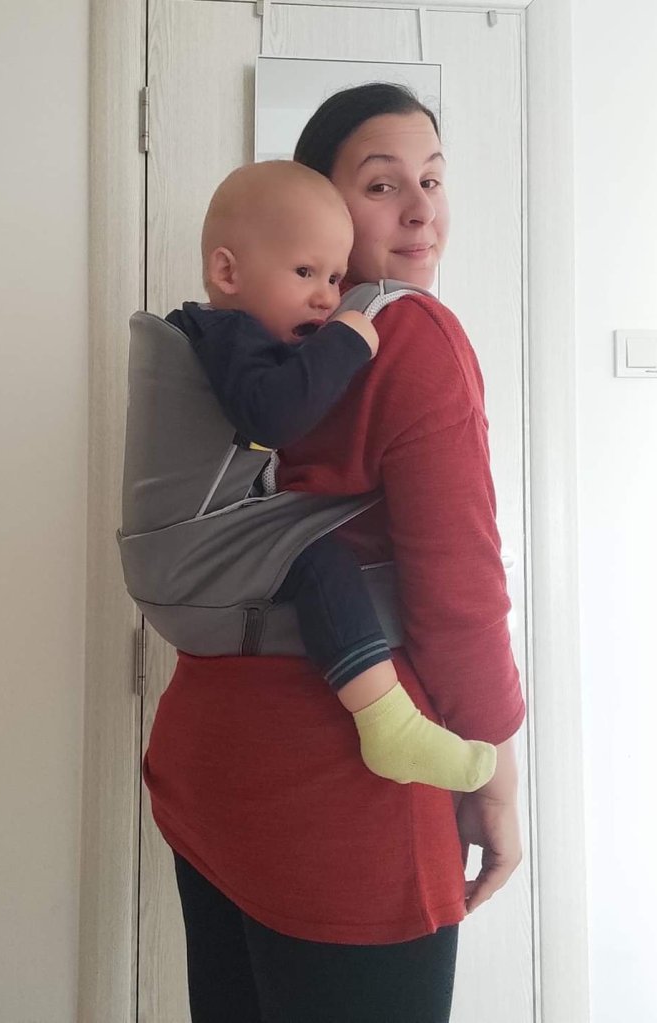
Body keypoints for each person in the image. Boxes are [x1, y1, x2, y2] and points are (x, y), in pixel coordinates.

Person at [143, 82, 525, 1023]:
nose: (420, 209)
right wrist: (494, 772)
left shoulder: (235, 335)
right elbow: (458, 590)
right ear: (322, 206)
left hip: (211, 767)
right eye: (382, 184)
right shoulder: (410, 336)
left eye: (432, 179)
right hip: (344, 797)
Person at [167, 158, 495, 792]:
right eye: (304, 273)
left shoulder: (232, 333)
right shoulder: (225, 332)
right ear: (227, 273)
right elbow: (274, 415)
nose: (325, 296)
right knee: (317, 558)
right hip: (207, 537)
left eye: (335, 277)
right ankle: (386, 722)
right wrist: (346, 341)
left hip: (213, 566)